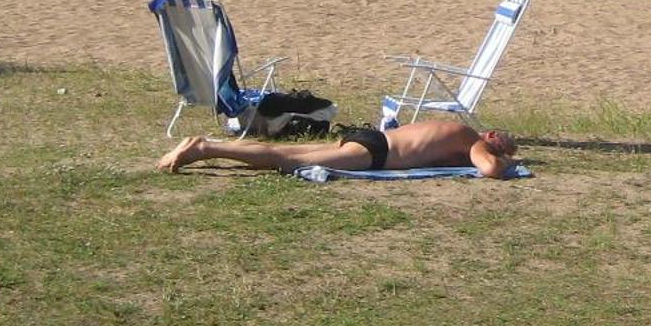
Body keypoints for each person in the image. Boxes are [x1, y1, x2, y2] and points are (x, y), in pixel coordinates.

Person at [158, 116, 518, 179]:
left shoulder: (454, 128)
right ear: (491, 138)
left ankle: (209, 145)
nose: (500, 153)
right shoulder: (474, 143)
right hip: (374, 154)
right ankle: (205, 149)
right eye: (503, 147)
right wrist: (501, 163)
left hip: (371, 138)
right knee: (282, 159)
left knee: (288, 153)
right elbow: (488, 170)